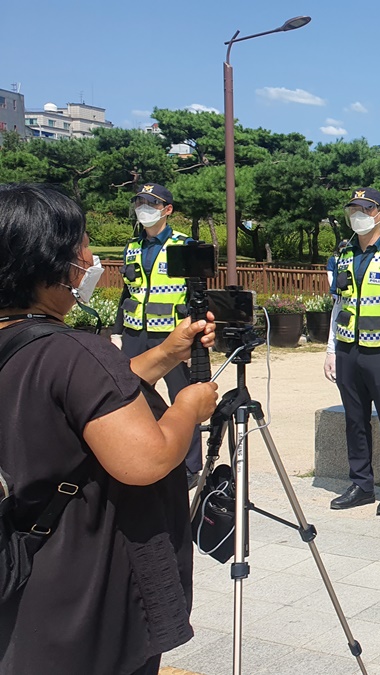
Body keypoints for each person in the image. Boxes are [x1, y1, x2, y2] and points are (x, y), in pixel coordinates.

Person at [0, 183, 219, 675]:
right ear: (49, 261)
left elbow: (86, 400)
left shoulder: (24, 344)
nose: (90, 258)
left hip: (23, 571)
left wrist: (164, 353)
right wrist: (187, 407)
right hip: (87, 589)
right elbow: (144, 459)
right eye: (80, 245)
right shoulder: (75, 352)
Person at [322, 187, 380, 516]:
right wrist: (330, 348)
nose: (357, 216)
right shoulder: (344, 254)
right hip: (348, 350)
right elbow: (338, 304)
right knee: (354, 420)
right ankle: (361, 484)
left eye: (365, 209)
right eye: (353, 210)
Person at [113, 183, 203, 485]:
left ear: (168, 210)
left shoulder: (184, 244)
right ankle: (138, 453)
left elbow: (196, 296)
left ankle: (190, 466)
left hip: (172, 335)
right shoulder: (133, 246)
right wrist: (117, 331)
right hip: (135, 332)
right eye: (140, 203)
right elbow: (127, 291)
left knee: (183, 398)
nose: (144, 209)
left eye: (151, 204)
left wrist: (195, 341)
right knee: (130, 396)